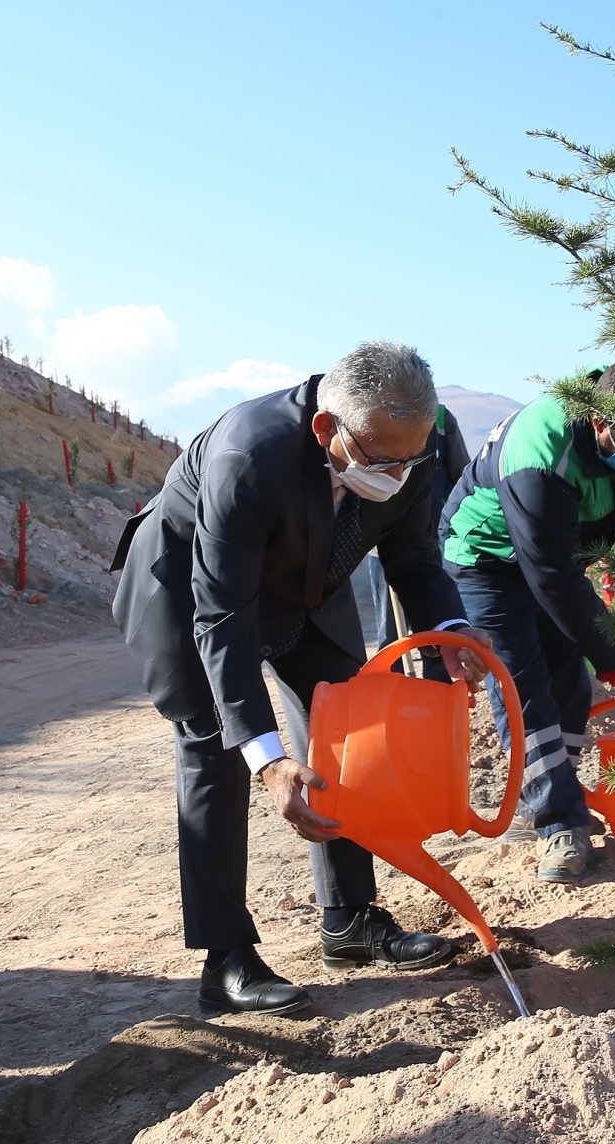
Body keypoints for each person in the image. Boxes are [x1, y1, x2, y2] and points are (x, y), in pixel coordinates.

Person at [110, 341, 493, 1016]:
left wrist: (453, 635)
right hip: (189, 595)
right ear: (327, 429)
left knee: (347, 723)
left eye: (413, 458)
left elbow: (416, 560)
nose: (401, 474)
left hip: (309, 583)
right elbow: (222, 616)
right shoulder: (248, 455)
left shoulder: (415, 441)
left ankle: (349, 921)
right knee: (216, 749)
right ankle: (226, 959)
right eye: (383, 461)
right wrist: (267, 759)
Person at [441, 358, 615, 883]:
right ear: (600, 423)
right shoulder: (542, 450)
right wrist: (610, 649)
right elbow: (548, 575)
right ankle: (559, 826)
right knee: (524, 687)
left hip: (555, 558)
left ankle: (555, 801)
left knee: (569, 684)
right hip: (487, 556)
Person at [358, 400, 470, 675]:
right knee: (390, 623)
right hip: (380, 538)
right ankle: (389, 685)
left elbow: (460, 475)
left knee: (434, 613)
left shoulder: (440, 419)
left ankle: (437, 690)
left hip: (431, 539)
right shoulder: (368, 413)